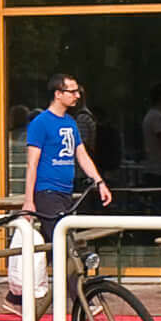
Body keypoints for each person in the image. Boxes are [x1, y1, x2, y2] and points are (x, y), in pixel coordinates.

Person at [21, 74, 111, 231]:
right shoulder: (40, 123)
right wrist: (29, 200)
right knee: (61, 239)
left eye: (78, 92)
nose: (77, 96)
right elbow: (32, 163)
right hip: (47, 191)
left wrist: (99, 182)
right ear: (58, 94)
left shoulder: (70, 122)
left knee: (56, 244)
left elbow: (82, 155)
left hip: (67, 191)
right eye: (72, 91)